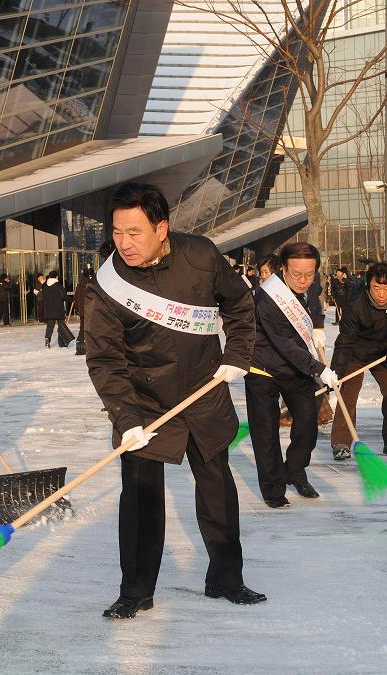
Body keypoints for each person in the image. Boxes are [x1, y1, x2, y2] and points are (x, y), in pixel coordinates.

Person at [84, 182, 263, 619]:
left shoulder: (200, 256)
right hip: (144, 404)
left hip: (204, 390)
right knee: (141, 499)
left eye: (135, 232)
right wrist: (126, 419)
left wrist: (236, 356)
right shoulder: (107, 285)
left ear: (161, 228)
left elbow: (240, 306)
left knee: (218, 491)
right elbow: (105, 358)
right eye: (117, 233)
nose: (123, 244)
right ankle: (136, 590)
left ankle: (226, 578)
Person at [245, 242, 339, 508]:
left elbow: (312, 312)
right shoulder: (268, 296)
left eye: (309, 274)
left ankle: (295, 470)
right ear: (282, 268)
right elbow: (283, 343)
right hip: (262, 366)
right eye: (296, 274)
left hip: (295, 367)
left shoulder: (311, 285)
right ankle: (273, 489)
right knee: (266, 432)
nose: (303, 280)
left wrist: (318, 326)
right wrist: (319, 369)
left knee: (308, 424)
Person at [330, 262, 387, 459]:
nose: (381, 294)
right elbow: (345, 339)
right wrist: (336, 371)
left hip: (386, 350)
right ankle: (341, 443)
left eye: (386, 288)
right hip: (356, 350)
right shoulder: (355, 302)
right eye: (376, 288)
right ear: (368, 285)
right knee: (348, 396)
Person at [40, 270, 68, 348]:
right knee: (61, 326)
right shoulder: (59, 286)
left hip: (49, 309)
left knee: (50, 326)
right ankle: (61, 343)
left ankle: (47, 339)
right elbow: (64, 296)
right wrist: (72, 299)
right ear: (56, 277)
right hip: (59, 309)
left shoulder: (45, 286)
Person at [73, 265, 94, 356]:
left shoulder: (79, 286)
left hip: (82, 311)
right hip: (92, 310)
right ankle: (92, 344)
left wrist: (77, 309)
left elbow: (76, 298)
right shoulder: (93, 285)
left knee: (82, 326)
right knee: (94, 327)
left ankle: (80, 340)